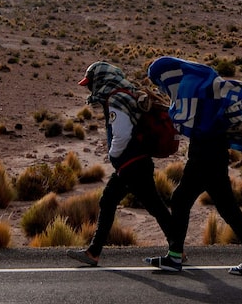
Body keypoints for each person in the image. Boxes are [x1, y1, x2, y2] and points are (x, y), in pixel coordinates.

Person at [144, 56, 242, 276]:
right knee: (225, 207)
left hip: (205, 156)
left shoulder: (192, 89)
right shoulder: (203, 86)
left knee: (182, 200)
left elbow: (185, 119)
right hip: (214, 154)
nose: (161, 87)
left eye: (159, 82)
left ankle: (174, 257)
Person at [66, 61, 172, 267]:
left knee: (137, 204)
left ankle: (94, 252)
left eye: (91, 83)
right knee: (146, 205)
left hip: (131, 163)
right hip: (137, 162)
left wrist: (113, 154)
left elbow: (122, 133)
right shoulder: (126, 94)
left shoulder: (116, 99)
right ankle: (94, 251)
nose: (90, 88)